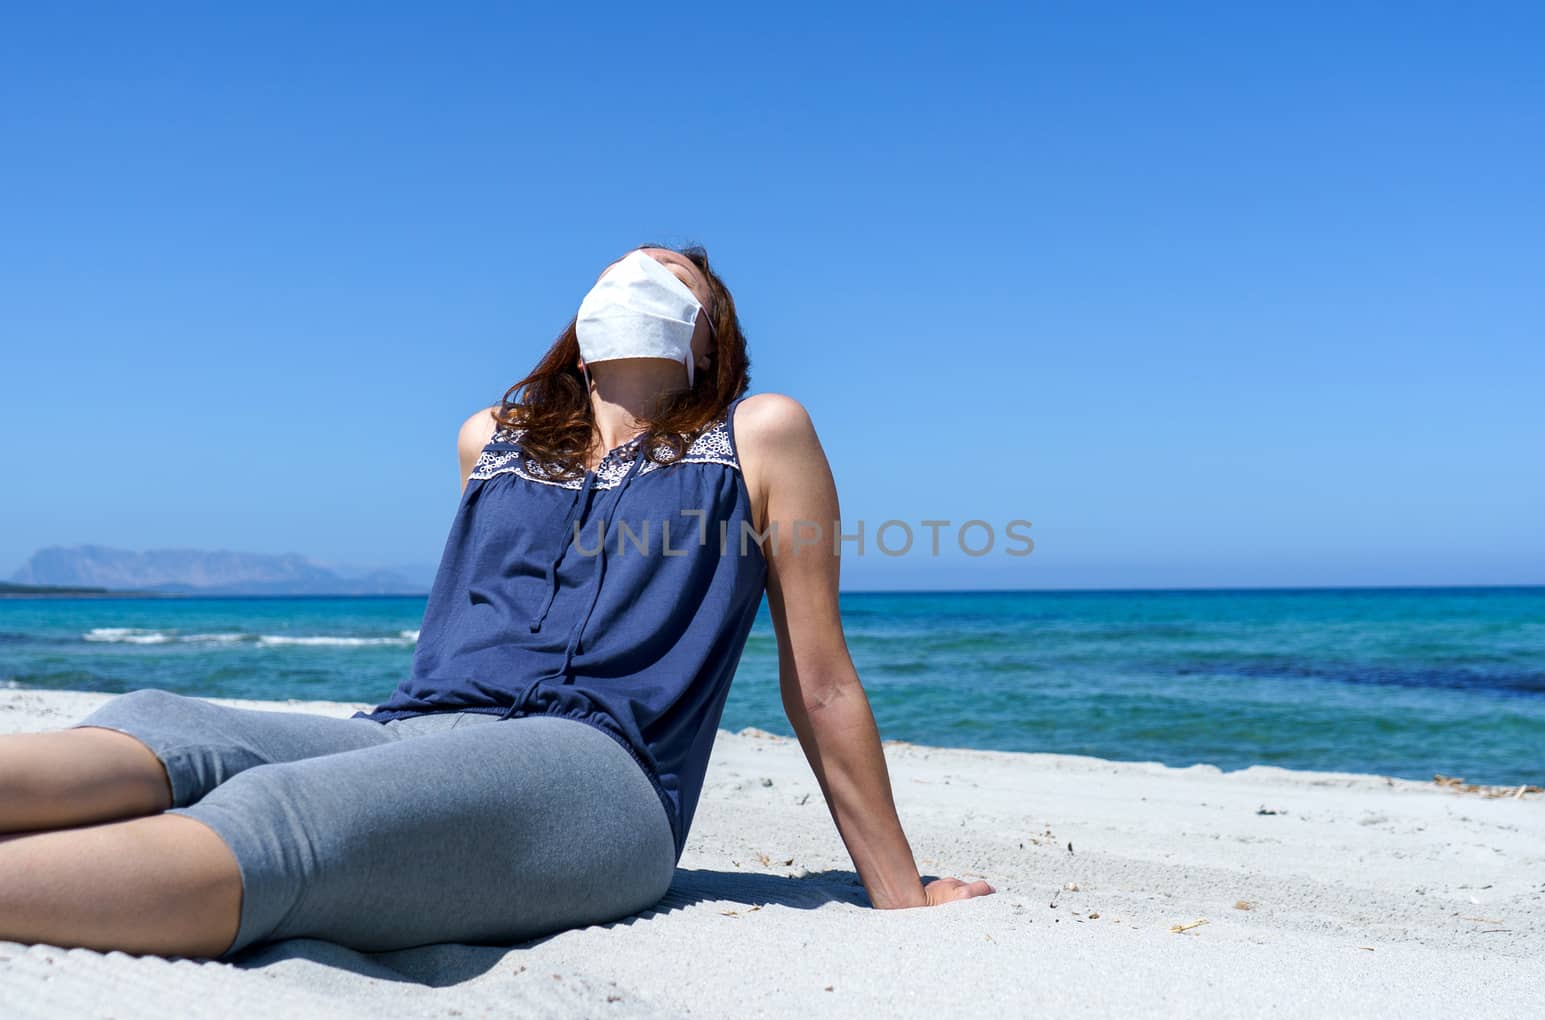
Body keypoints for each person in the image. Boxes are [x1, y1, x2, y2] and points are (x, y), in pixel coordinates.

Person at [0, 243, 994, 960]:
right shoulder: (494, 436)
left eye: (672, 274)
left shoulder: (761, 432)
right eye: (621, 266)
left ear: (708, 330)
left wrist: (898, 894)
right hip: (413, 729)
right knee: (160, 724)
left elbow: (817, 681)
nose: (637, 273)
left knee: (283, 812)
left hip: (601, 774)